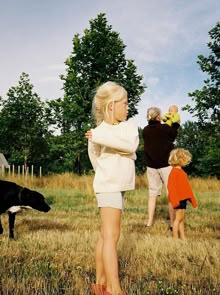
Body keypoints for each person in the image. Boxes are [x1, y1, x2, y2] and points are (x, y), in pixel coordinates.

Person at [85, 81, 139, 295]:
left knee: (105, 235)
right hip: (108, 186)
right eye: (124, 103)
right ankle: (114, 289)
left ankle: (100, 284)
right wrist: (110, 173)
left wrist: (103, 140)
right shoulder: (97, 133)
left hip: (118, 185)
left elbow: (131, 146)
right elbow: (95, 161)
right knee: (111, 235)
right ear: (110, 106)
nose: (127, 107)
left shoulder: (128, 127)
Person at [142, 107, 180, 229]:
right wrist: (176, 123)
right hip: (165, 165)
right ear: (158, 117)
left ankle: (149, 222)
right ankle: (172, 223)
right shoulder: (164, 128)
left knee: (152, 195)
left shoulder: (145, 130)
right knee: (171, 194)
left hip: (151, 166)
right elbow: (173, 135)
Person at [168, 148, 197, 239]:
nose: (187, 162)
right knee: (178, 219)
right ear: (180, 160)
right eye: (186, 160)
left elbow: (186, 188)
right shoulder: (174, 172)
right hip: (178, 200)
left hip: (182, 199)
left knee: (181, 219)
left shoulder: (181, 172)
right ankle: (175, 238)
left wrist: (191, 200)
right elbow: (171, 187)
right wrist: (175, 200)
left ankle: (183, 237)